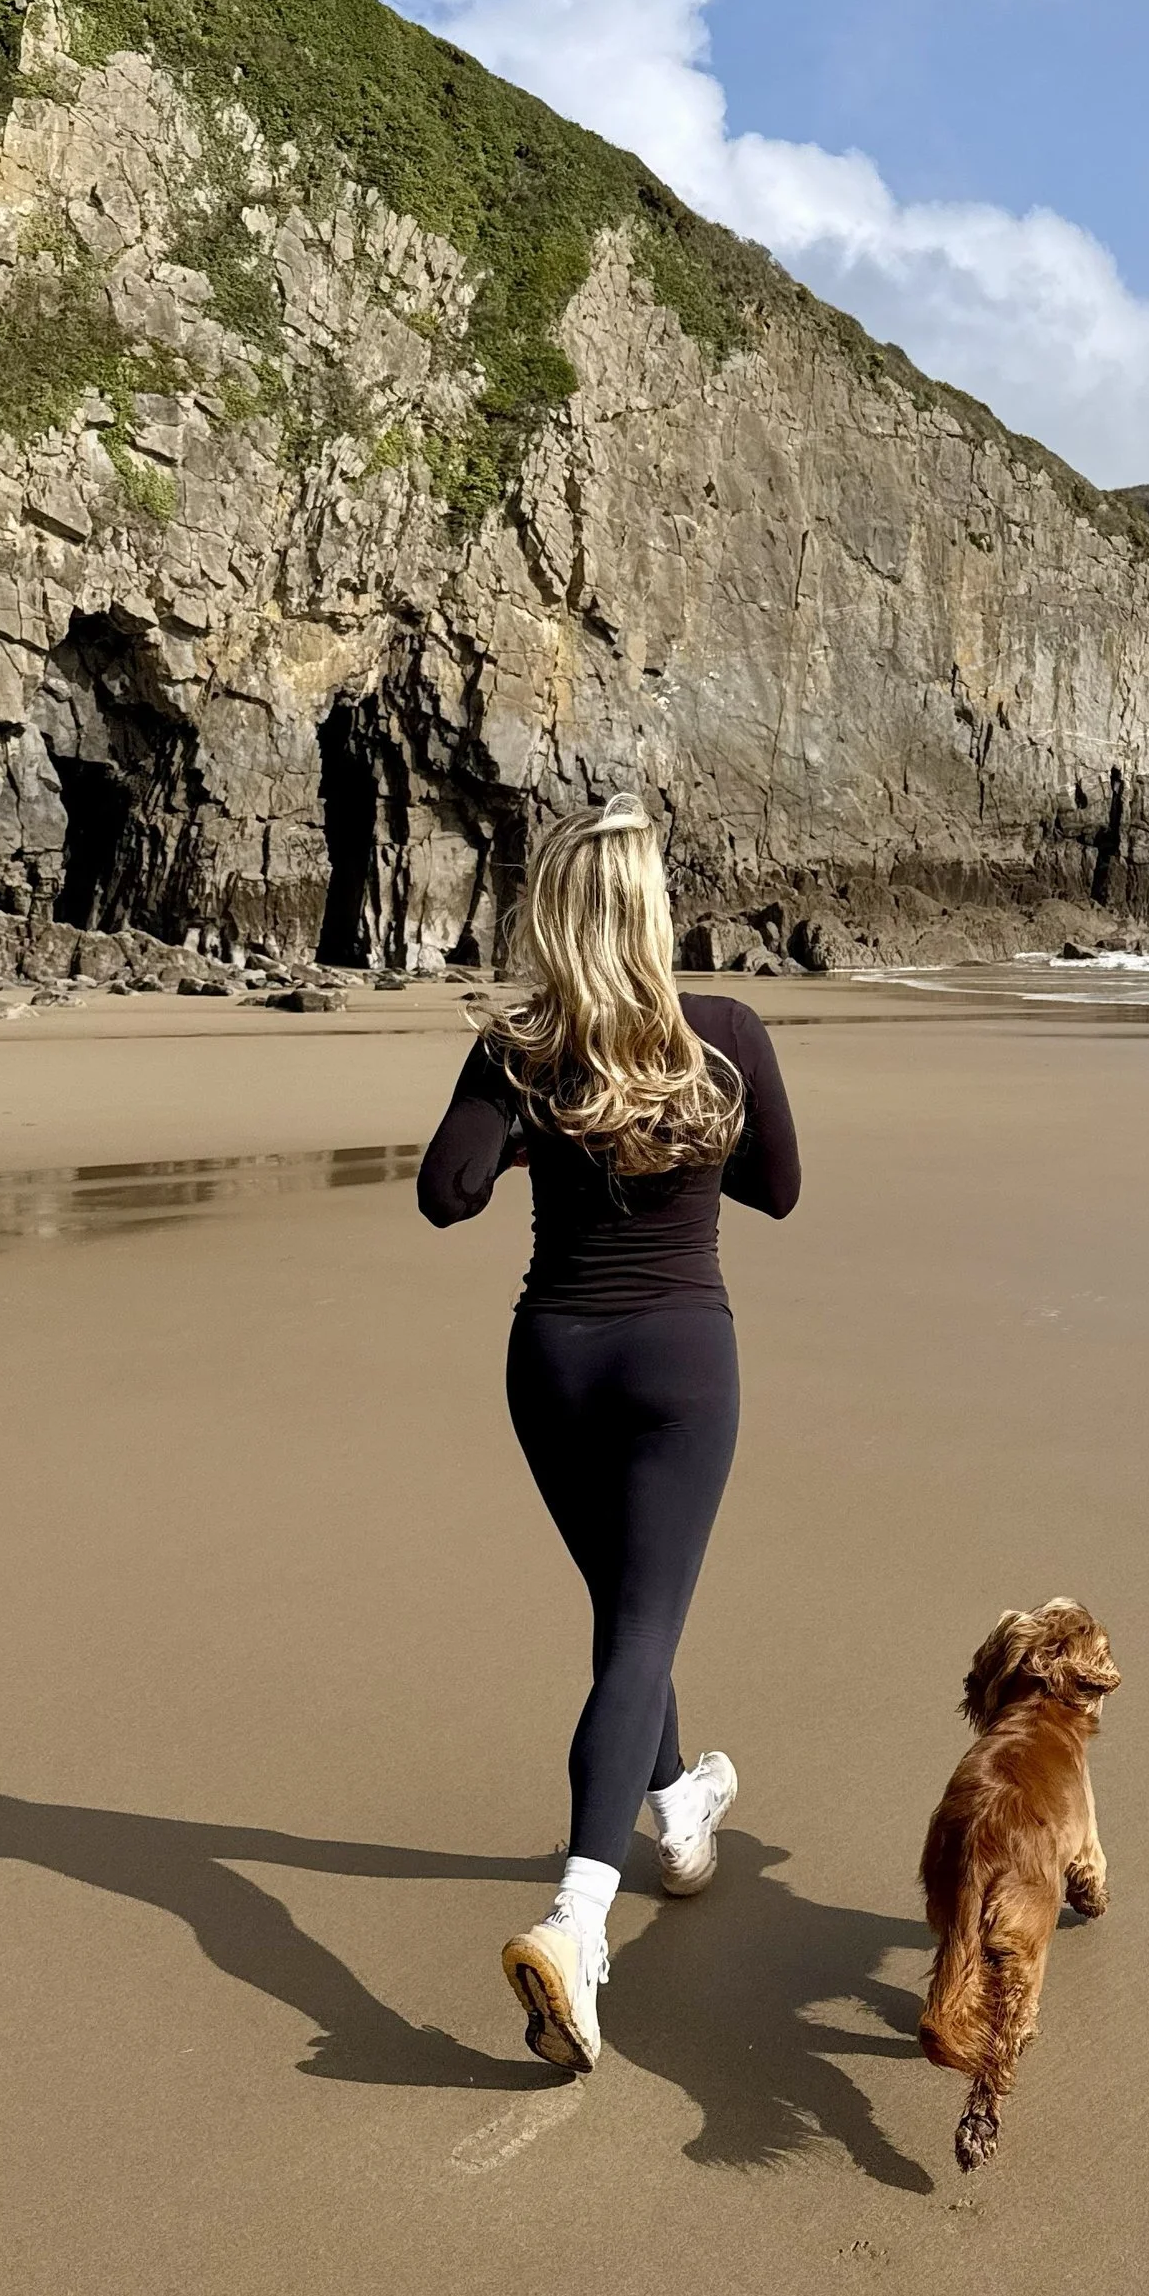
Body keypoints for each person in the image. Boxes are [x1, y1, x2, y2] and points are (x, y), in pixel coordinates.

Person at [416, 796, 800, 2071]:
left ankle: (681, 1810)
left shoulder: (520, 1053)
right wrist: (674, 1134)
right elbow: (779, 1189)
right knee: (640, 1623)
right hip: (681, 1360)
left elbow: (445, 1196)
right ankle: (580, 1921)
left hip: (555, 1365)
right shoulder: (724, 1037)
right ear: (650, 913)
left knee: (630, 1609)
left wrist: (541, 1127)